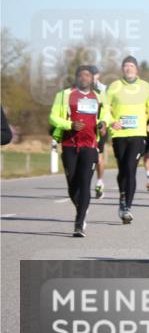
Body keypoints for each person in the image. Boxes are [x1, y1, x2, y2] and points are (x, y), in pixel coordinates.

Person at [49, 65, 110, 236]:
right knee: (72, 186)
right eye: (81, 75)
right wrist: (70, 125)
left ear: (92, 79)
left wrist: (103, 123)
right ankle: (82, 207)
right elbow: (53, 117)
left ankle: (79, 221)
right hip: (69, 144)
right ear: (76, 77)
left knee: (85, 184)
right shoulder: (63, 95)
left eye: (88, 75)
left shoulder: (99, 96)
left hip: (90, 146)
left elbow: (106, 115)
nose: (84, 78)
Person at [106, 56, 149, 224]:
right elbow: (105, 107)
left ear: (136, 69)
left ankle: (127, 207)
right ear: (122, 69)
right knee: (123, 170)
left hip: (138, 134)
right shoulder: (114, 86)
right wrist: (111, 122)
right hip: (119, 134)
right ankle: (122, 198)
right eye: (125, 66)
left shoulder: (144, 87)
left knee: (131, 168)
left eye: (131, 66)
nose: (128, 69)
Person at [90, 66, 108, 199]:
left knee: (98, 156)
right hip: (84, 126)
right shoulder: (80, 88)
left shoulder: (104, 89)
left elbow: (108, 108)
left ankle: (99, 181)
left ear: (98, 75)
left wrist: (104, 123)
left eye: (94, 75)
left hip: (99, 126)